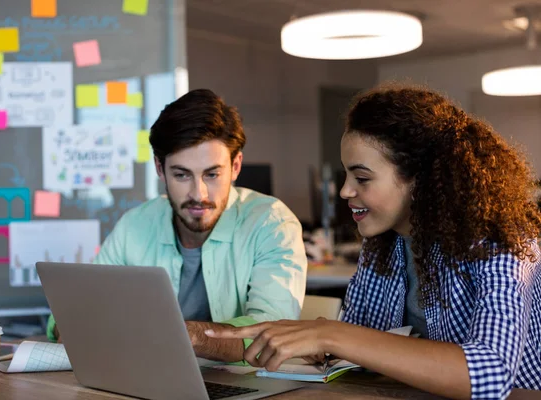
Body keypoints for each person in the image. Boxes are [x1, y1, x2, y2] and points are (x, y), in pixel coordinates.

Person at [207, 84, 541, 398]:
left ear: (421, 180)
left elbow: (491, 374)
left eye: (362, 178)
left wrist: (331, 335)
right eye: (346, 175)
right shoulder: (384, 243)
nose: (344, 191)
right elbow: (356, 349)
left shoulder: (500, 241)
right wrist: (309, 342)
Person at [46, 88, 308, 362]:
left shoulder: (272, 223)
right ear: (160, 169)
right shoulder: (136, 224)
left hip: (247, 384)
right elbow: (75, 308)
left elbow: (271, 334)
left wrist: (187, 335)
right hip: (148, 377)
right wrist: (71, 323)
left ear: (236, 166)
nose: (199, 194)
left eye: (212, 174)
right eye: (182, 175)